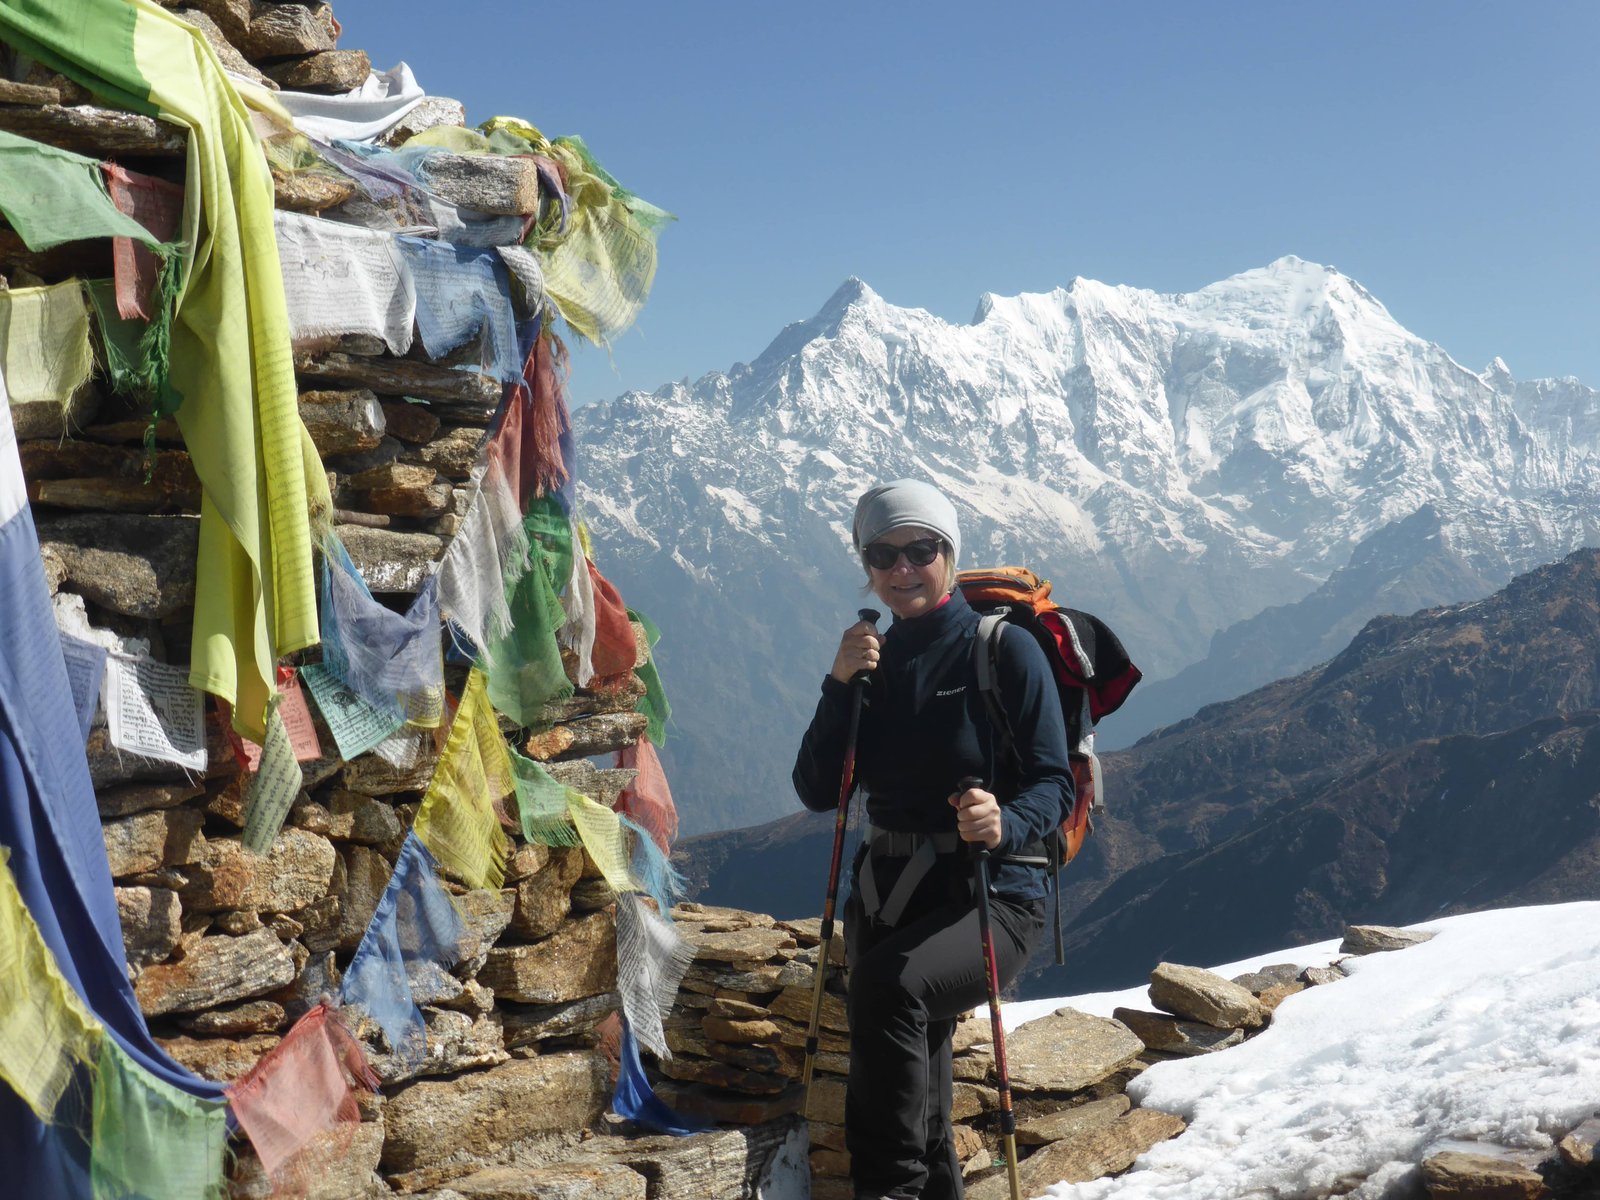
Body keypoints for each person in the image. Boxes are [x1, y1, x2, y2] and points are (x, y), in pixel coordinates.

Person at [793, 479, 1074, 1200]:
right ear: (867, 566)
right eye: (883, 554)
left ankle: (885, 1191)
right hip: (887, 900)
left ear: (949, 552)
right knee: (924, 1094)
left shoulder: (1002, 651)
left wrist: (1004, 822)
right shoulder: (870, 665)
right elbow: (818, 789)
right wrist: (837, 684)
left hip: (993, 898)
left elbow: (1054, 782)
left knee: (891, 992)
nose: (902, 568)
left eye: (921, 549)